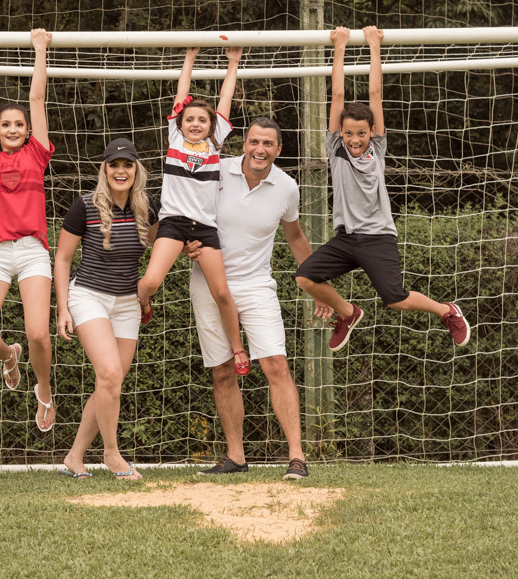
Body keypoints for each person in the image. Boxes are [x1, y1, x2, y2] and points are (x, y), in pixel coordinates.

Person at [295, 25, 470, 352]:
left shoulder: (376, 148)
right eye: (349, 133)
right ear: (341, 133)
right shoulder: (335, 148)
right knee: (305, 277)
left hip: (377, 236)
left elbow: (375, 95)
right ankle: (347, 313)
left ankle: (447, 311)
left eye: (361, 133)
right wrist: (339, 46)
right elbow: (336, 96)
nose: (355, 139)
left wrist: (374, 45)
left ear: (372, 132)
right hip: (347, 237)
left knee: (396, 300)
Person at [187, 117, 329, 481]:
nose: (259, 149)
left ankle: (296, 457)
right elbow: (186, 211)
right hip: (207, 282)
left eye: (268, 144)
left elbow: (296, 238)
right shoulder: (217, 170)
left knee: (276, 365)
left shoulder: (287, 187)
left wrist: (318, 284)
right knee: (221, 370)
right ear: (243, 144)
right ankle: (236, 456)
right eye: (253, 142)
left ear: (278, 149)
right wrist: (185, 240)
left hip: (255, 285)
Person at [136, 46, 251, 375]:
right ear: (180, 123)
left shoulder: (215, 144)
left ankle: (238, 346)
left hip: (204, 229)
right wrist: (189, 57)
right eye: (191, 119)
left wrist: (233, 63)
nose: (197, 123)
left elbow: (224, 100)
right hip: (172, 224)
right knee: (150, 282)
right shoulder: (175, 140)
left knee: (221, 293)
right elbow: (181, 95)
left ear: (212, 126)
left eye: (203, 119)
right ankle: (144, 303)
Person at [0, 27, 57, 432]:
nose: (15, 128)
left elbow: (37, 98)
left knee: (39, 333)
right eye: (7, 125)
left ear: (28, 130)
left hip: (34, 249)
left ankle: (45, 391)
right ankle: (8, 355)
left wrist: (40, 50)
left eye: (20, 124)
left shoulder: (38, 154)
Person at [54, 138, 158, 480]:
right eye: (114, 165)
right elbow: (63, 258)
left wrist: (193, 249)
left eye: (127, 164)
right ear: (105, 169)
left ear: (136, 170)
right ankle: (112, 455)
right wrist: (62, 309)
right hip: (88, 297)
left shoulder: (147, 208)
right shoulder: (84, 206)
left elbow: (162, 246)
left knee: (110, 383)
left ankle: (74, 456)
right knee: (110, 374)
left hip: (127, 304)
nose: (121, 170)